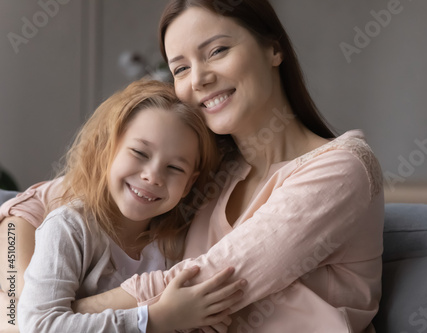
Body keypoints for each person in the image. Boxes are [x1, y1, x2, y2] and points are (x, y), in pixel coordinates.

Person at [1, 0, 384, 331]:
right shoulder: (205, 169)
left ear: (273, 49)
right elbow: (32, 205)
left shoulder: (340, 170)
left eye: (217, 51)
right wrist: (22, 302)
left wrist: (53, 318)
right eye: (180, 68)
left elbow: (208, 282)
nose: (199, 77)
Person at [14, 79, 246, 333]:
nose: (153, 176)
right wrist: (157, 319)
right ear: (106, 149)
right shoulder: (68, 228)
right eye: (140, 153)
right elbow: (39, 326)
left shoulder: (177, 242)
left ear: (189, 183)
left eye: (174, 168)